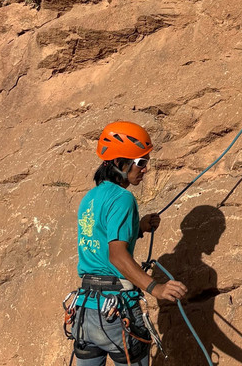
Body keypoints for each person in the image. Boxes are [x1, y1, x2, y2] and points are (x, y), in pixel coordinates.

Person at [65, 121, 187, 366]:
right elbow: (117, 257)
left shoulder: (91, 197)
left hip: (86, 311)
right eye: (140, 162)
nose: (145, 169)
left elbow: (101, 237)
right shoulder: (123, 198)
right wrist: (156, 289)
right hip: (116, 312)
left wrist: (139, 228)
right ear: (120, 163)